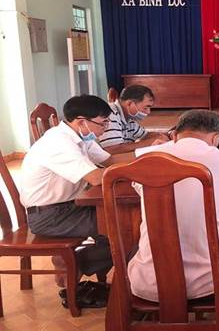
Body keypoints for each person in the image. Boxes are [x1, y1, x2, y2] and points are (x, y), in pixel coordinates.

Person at [129, 110, 219, 329]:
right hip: (216, 284)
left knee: (135, 249)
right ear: (216, 138)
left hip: (148, 284)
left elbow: (138, 187)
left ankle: (140, 317)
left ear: (175, 134)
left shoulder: (146, 159)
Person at [19, 95, 133, 290]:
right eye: (103, 123)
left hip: (70, 207)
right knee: (128, 227)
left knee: (128, 221)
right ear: (82, 122)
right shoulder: (59, 143)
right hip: (50, 216)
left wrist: (150, 156)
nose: (105, 129)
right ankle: (74, 262)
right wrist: (139, 170)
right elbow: (96, 178)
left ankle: (77, 261)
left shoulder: (81, 136)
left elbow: (110, 161)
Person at [99, 85, 168, 153]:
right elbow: (112, 149)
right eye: (145, 107)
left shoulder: (129, 119)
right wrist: (149, 142)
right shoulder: (111, 113)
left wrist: (166, 135)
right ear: (129, 103)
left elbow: (145, 135)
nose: (148, 112)